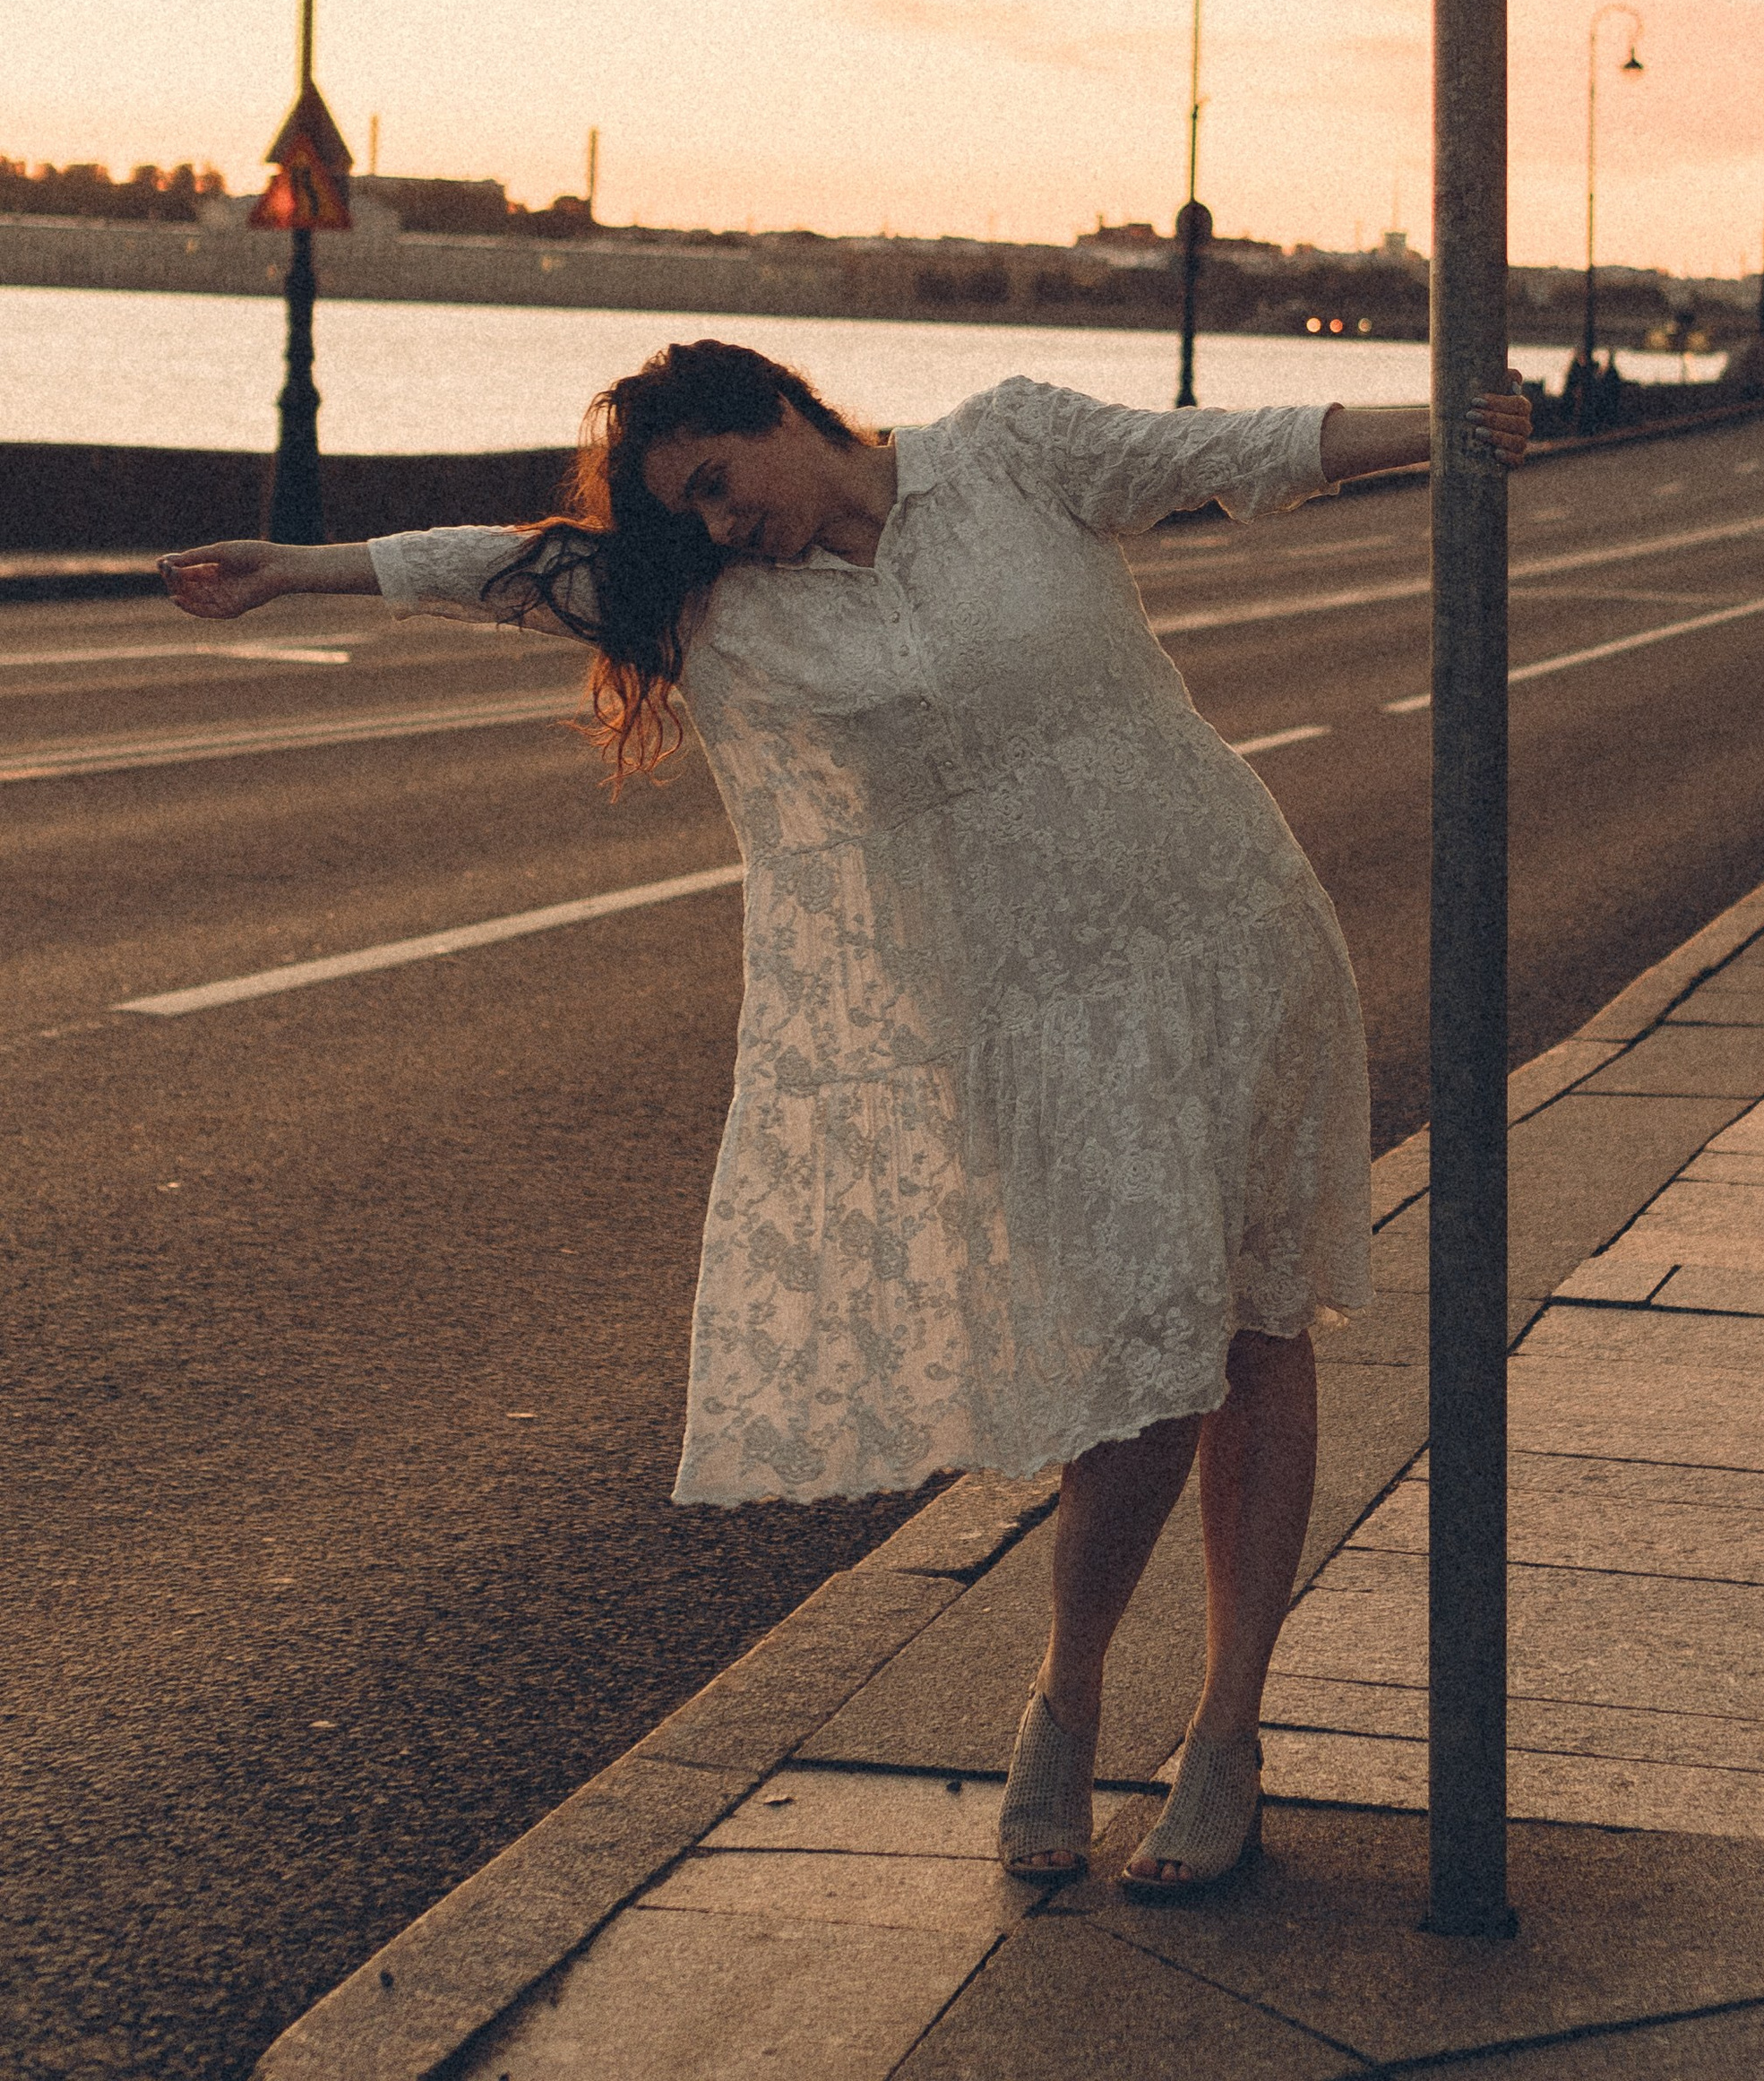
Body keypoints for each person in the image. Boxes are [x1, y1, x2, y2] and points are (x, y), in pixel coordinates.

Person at [161, 349, 1533, 1896]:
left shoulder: (1014, 450)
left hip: (1223, 941)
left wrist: (1443, 426)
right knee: (1138, 1362)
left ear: (781, 414)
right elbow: (506, 569)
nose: (715, 523)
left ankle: (1227, 1734)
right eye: (686, 510)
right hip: (1022, 1027)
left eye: (716, 482)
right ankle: (1071, 1691)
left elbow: (1232, 448)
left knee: (1259, 1332)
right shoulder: (713, 605)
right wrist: (297, 570)